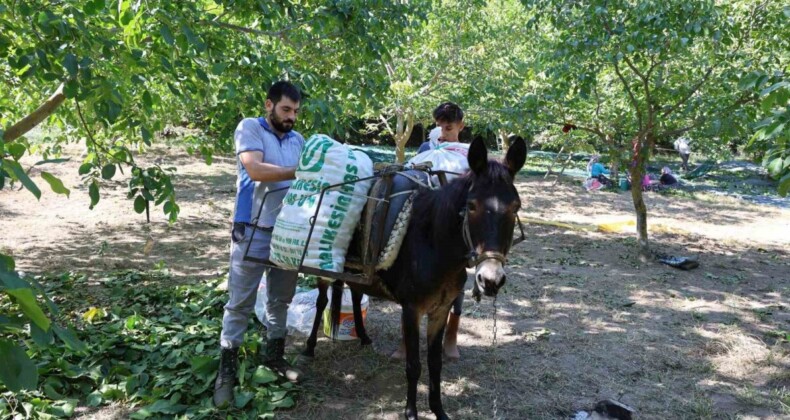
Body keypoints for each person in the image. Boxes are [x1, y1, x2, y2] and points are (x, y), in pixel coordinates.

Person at [214, 81, 305, 407]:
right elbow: (253, 169)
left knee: (280, 300)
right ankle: (226, 371)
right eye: (285, 109)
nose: (291, 116)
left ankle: (275, 358)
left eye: (295, 111)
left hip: (287, 234)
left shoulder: (298, 141)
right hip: (252, 229)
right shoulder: (250, 128)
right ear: (269, 105)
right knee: (239, 302)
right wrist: (299, 173)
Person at [394, 101, 466, 360]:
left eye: (448, 128)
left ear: (460, 126)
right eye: (439, 127)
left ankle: (450, 337)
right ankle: (406, 342)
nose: (443, 133)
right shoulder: (427, 149)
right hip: (426, 223)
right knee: (411, 282)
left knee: (455, 280)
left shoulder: (467, 155)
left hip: (454, 228)